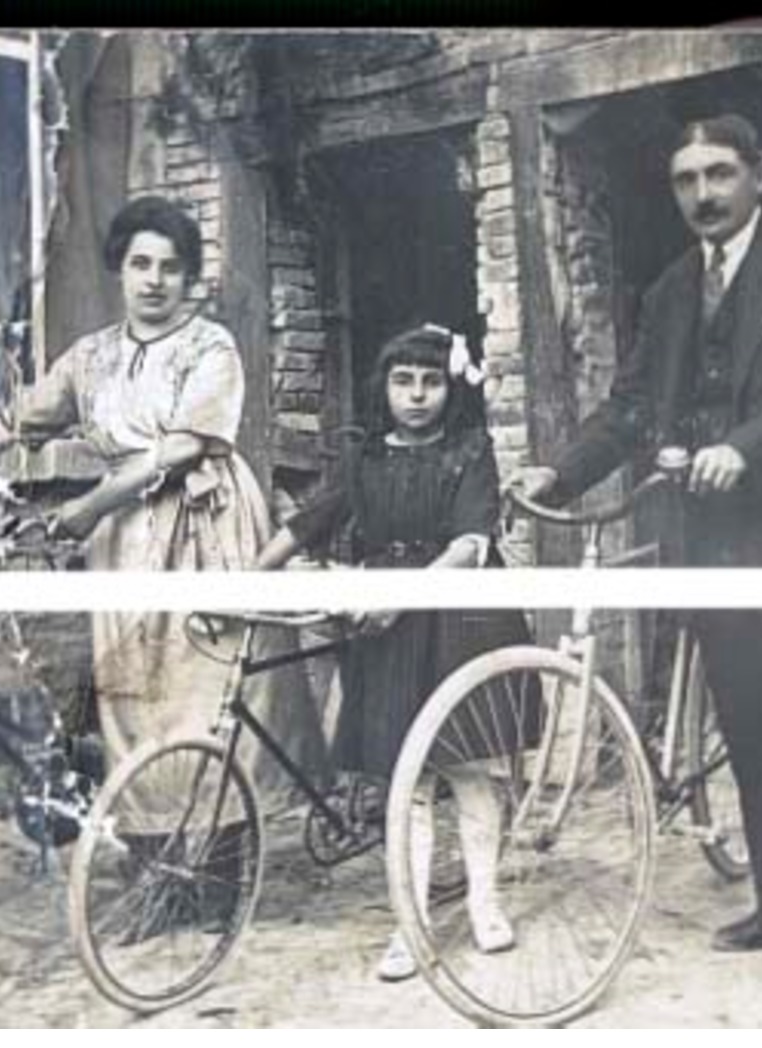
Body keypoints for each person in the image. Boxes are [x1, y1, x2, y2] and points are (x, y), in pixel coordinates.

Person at [0, 196, 327, 915]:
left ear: (188, 280)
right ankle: (155, 880)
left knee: (204, 701)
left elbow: (180, 448)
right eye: (141, 264)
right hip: (125, 542)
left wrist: (85, 508)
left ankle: (217, 884)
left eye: (171, 269)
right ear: (120, 268)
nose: (154, 281)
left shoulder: (211, 349)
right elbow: (11, 422)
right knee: (131, 703)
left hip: (202, 529)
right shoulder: (91, 358)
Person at [513, 115, 762, 1020]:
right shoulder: (670, 289)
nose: (702, 194)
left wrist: (744, 448)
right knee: (748, 722)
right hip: (707, 539)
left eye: (718, 174)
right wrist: (558, 467)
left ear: (755, 175)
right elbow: (630, 407)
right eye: (684, 180)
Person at [256, 323, 535, 983]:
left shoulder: (471, 452)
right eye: (403, 380)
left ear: (448, 389)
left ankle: (484, 903)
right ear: (383, 387)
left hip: (459, 619)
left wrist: (400, 597)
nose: (416, 395)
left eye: (431, 381)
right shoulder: (362, 459)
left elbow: (469, 546)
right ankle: (409, 925)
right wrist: (247, 576)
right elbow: (307, 522)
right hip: (387, 634)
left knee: (468, 769)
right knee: (404, 785)